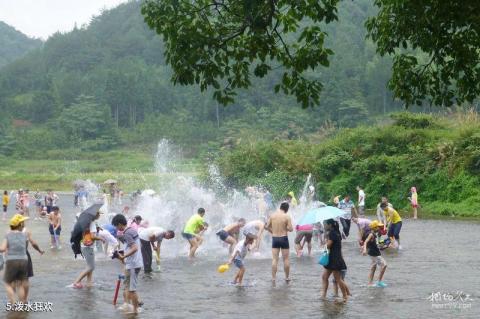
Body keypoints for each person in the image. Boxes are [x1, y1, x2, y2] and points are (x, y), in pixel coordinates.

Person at [112, 214, 143, 314]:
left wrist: (123, 257)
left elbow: (135, 248)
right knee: (129, 287)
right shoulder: (131, 231)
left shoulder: (127, 233)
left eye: (116, 226)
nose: (117, 228)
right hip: (134, 263)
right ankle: (132, 305)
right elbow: (133, 246)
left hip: (133, 264)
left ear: (120, 224)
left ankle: (135, 311)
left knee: (132, 289)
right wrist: (123, 253)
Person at [0, 214, 30, 303]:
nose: (23, 224)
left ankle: (13, 303)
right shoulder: (24, 235)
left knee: (8, 284)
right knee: (20, 284)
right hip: (24, 260)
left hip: (12, 261)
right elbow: (25, 247)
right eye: (22, 223)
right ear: (19, 225)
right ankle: (22, 304)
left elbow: (3, 249)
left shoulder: (8, 235)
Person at [72, 210, 105, 289]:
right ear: (95, 215)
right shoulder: (92, 223)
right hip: (88, 247)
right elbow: (93, 237)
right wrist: (101, 238)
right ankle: (76, 281)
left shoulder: (86, 223)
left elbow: (88, 233)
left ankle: (89, 282)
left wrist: (96, 228)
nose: (99, 215)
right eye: (98, 214)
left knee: (89, 265)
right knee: (91, 267)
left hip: (84, 245)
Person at [321, 219, 349, 302]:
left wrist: (324, 244)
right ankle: (323, 295)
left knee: (338, 279)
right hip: (334, 258)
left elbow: (328, 245)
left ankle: (345, 296)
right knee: (324, 277)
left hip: (334, 259)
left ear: (330, 225)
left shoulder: (332, 233)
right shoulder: (337, 232)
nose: (324, 226)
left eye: (325, 224)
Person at [266, 202, 293, 282]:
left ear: (280, 207)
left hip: (275, 238)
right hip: (284, 238)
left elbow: (267, 227)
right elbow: (291, 229)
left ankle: (273, 278)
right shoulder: (287, 216)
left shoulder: (272, 215)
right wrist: (285, 228)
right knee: (286, 259)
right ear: (287, 209)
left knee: (274, 259)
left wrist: (273, 231)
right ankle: (287, 277)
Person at [362, 220, 387, 287]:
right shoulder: (371, 234)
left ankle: (370, 283)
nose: (379, 228)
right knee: (384, 265)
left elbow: (371, 243)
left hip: (372, 253)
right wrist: (364, 250)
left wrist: (381, 246)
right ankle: (379, 281)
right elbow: (366, 242)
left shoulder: (373, 233)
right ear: (375, 228)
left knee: (373, 267)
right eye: (378, 227)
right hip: (374, 254)